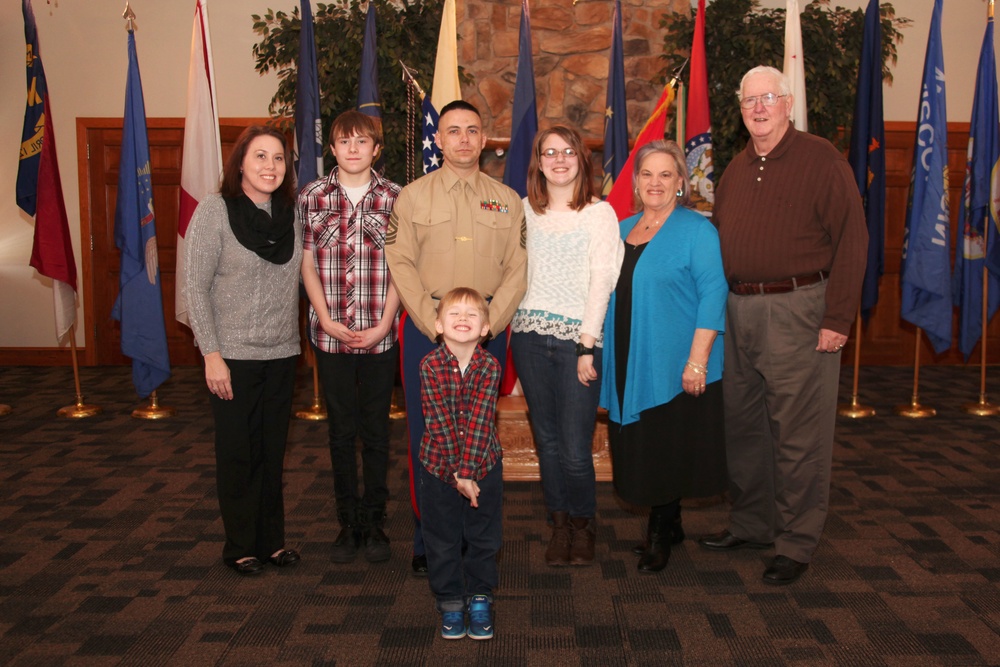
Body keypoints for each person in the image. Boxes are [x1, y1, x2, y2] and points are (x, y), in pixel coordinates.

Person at [700, 66, 867, 585]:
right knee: (745, 428)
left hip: (799, 310)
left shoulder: (821, 159)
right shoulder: (736, 167)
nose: (758, 107)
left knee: (798, 434)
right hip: (739, 311)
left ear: (788, 103)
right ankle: (753, 523)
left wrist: (837, 318)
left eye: (768, 97)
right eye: (749, 100)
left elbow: (854, 241)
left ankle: (796, 542)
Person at [386, 100, 527, 576]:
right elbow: (400, 264)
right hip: (428, 332)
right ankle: (430, 535)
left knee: (479, 435)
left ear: (484, 139)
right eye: (453, 131)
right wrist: (435, 324)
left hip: (488, 334)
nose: (463, 139)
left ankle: (475, 534)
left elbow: (517, 270)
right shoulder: (412, 197)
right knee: (429, 436)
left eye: (472, 130)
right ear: (439, 140)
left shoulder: (507, 200)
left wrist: (489, 326)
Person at [599, 140, 729, 574]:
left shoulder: (697, 230)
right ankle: (669, 521)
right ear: (636, 182)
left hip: (674, 359)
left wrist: (697, 361)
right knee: (637, 442)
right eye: (647, 174)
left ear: (680, 183)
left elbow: (714, 294)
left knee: (664, 444)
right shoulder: (620, 229)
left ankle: (659, 530)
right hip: (628, 354)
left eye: (665, 175)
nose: (655, 183)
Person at [183, 125, 302, 576]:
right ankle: (239, 546)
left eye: (278, 159)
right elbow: (195, 287)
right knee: (238, 453)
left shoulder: (291, 214)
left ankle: (272, 541)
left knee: (273, 453)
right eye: (260, 157)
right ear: (240, 164)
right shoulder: (214, 211)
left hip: (282, 353)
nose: (270, 166)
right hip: (230, 355)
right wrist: (210, 354)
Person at [509, 126, 622, 567]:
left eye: (568, 151)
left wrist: (587, 345)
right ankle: (558, 524)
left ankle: (583, 525)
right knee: (547, 441)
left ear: (582, 160)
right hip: (530, 339)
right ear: (538, 162)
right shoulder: (522, 212)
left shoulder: (600, 214)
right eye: (549, 152)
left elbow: (603, 280)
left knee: (576, 447)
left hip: (580, 340)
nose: (559, 159)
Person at [299, 110, 401, 565]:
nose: (354, 149)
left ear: (376, 149)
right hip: (331, 335)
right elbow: (305, 263)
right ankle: (348, 523)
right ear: (333, 149)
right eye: (345, 142)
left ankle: (375, 521)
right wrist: (324, 317)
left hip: (380, 335)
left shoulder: (397, 198)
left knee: (376, 432)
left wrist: (384, 324)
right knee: (341, 432)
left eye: (363, 142)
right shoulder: (311, 196)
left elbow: (405, 266)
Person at [418, 287, 503, 641]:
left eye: (472, 314)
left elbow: (482, 421)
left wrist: (468, 474)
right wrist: (458, 474)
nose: (463, 319)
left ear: (485, 328)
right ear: (438, 325)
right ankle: (451, 600)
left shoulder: (490, 366)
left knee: (483, 537)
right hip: (438, 468)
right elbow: (439, 424)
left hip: (484, 466)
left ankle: (480, 596)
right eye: (454, 314)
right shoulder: (429, 365)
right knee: (442, 538)